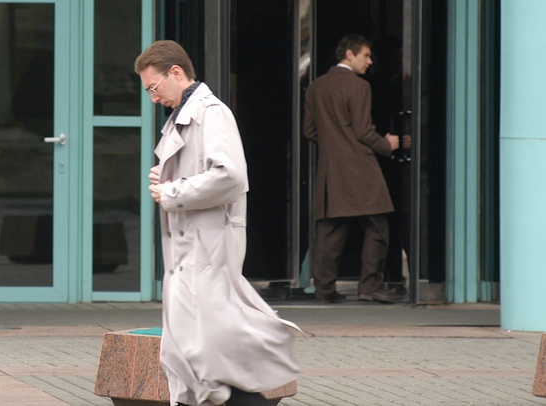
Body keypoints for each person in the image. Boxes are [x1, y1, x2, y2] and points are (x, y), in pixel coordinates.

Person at [136, 40, 300, 406]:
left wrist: (172, 190)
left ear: (175, 73)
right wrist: (167, 178)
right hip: (191, 256)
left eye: (153, 87)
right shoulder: (184, 115)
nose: (153, 98)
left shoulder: (211, 112)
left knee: (209, 365)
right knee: (192, 364)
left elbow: (230, 176)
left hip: (207, 254)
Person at [303, 34, 401, 304]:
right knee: (377, 226)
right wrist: (387, 144)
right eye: (365, 55)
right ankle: (369, 286)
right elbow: (363, 131)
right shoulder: (359, 87)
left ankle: (324, 290)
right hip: (361, 167)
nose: (370, 62)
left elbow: (309, 130)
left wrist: (335, 143)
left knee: (330, 231)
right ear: (349, 54)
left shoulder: (315, 87)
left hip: (330, 169)